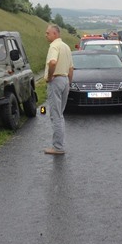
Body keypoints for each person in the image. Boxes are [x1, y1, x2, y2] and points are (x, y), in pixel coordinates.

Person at [44, 24, 73, 155]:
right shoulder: (66, 47)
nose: (46, 35)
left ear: (55, 34)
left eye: (47, 33)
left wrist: (50, 77)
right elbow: (71, 69)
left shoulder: (54, 46)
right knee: (60, 115)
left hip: (56, 80)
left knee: (56, 115)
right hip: (65, 80)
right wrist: (69, 83)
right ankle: (59, 145)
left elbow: (53, 62)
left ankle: (58, 147)